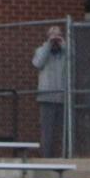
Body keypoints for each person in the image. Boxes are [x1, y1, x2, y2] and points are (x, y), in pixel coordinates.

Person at [31, 26, 66, 158]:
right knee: (47, 131)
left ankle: (63, 155)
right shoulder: (41, 50)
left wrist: (63, 45)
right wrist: (48, 45)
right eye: (53, 36)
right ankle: (46, 156)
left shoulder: (65, 53)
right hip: (46, 97)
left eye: (58, 36)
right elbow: (38, 63)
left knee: (62, 131)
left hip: (62, 97)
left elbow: (73, 60)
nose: (56, 40)